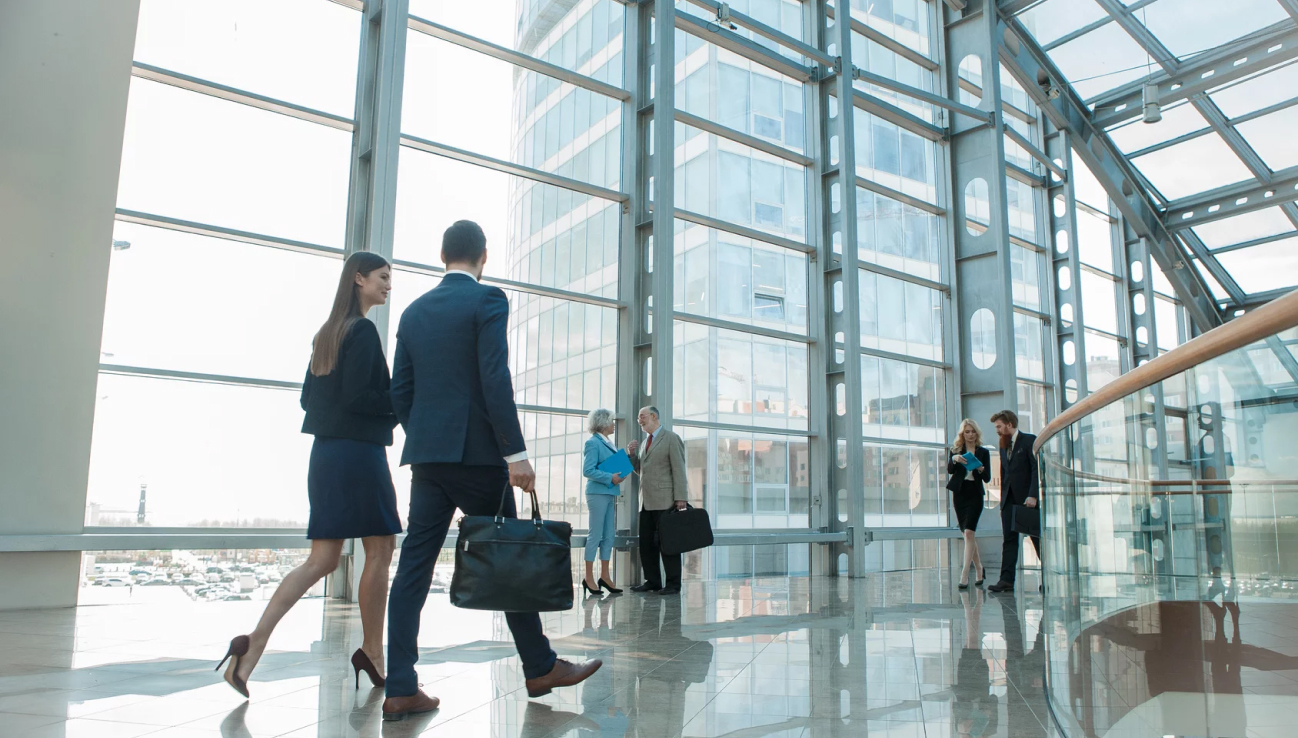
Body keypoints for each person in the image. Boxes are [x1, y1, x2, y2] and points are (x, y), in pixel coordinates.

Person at [380, 220, 601, 721]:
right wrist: (514, 453)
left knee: (413, 568)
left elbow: (400, 392)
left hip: (429, 459)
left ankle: (400, 686)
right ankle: (540, 665)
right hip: (480, 458)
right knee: (508, 556)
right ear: (483, 256)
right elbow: (494, 376)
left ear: (441, 255)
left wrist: (429, 436)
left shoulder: (413, 312)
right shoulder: (487, 301)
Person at [218, 252, 401, 699]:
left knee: (321, 560)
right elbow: (362, 396)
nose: (388, 285)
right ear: (358, 278)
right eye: (382, 277)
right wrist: (402, 400)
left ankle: (251, 645)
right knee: (380, 549)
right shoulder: (363, 331)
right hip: (358, 456)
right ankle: (374, 654)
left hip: (326, 456)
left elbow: (307, 400)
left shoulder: (326, 335)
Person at [626, 406, 688, 596]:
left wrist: (681, 498)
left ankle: (673, 584)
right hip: (646, 501)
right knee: (646, 544)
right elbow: (641, 471)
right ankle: (652, 581)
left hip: (666, 501)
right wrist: (631, 455)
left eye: (641, 416)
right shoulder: (645, 443)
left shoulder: (670, 438)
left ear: (654, 416)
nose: (639, 420)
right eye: (638, 418)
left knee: (668, 544)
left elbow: (679, 469)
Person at [986, 410, 1041, 594]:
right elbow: (1004, 474)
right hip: (1008, 501)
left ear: (1009, 424)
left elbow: (1036, 469)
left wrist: (1033, 494)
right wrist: (1002, 503)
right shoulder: (1002, 445)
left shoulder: (1029, 440)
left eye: (999, 426)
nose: (998, 431)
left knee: (1036, 539)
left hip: (1027, 501)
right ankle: (1006, 580)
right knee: (1009, 541)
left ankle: (1049, 577)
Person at [581, 408, 626, 596]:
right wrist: (610, 477)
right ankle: (588, 577)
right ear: (603, 423)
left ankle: (605, 576)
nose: (614, 424)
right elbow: (587, 470)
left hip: (609, 493)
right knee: (595, 534)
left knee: (609, 535)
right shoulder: (593, 443)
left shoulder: (608, 443)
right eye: (611, 421)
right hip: (597, 493)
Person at [948, 418, 992, 589]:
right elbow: (950, 470)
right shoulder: (956, 450)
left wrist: (981, 469)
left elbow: (987, 478)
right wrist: (954, 459)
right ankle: (979, 569)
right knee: (968, 535)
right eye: (967, 431)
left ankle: (965, 573)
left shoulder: (983, 452)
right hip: (960, 494)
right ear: (962, 434)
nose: (971, 434)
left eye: (973, 431)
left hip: (975, 494)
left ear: (977, 433)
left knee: (968, 533)